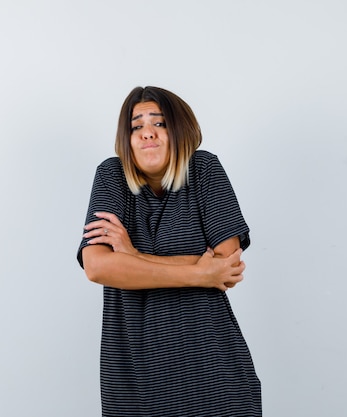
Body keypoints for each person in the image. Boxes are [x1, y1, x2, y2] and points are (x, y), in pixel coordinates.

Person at [77, 86, 261, 417]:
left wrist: (133, 257)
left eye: (159, 123)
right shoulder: (112, 176)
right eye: (136, 126)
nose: (147, 133)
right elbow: (98, 267)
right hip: (133, 378)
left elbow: (227, 266)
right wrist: (201, 272)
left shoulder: (204, 170)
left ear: (178, 131)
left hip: (214, 373)